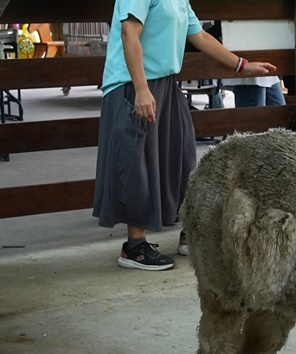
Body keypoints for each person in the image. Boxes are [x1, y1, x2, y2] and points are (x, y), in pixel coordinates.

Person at [93, 0, 276, 270]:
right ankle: (134, 246)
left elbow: (199, 34)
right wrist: (141, 89)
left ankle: (188, 231)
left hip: (166, 82)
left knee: (181, 154)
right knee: (137, 160)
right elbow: (129, 33)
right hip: (133, 83)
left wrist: (241, 65)